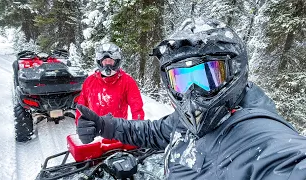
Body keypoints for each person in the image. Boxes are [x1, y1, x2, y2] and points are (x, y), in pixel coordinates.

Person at [76, 18, 306, 179]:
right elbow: (154, 132)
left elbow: (284, 161)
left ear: (235, 71)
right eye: (182, 80)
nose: (192, 93)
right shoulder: (186, 121)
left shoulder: (254, 134)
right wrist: (105, 125)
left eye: (209, 76)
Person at [75, 42, 145, 143]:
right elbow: (81, 107)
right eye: (105, 61)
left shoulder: (127, 81)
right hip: (96, 134)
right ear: (100, 62)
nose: (107, 64)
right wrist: (80, 128)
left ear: (116, 62)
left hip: (119, 132)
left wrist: (137, 130)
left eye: (110, 61)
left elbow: (137, 108)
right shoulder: (90, 81)